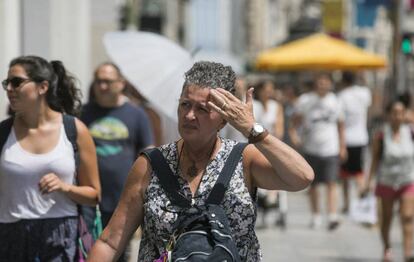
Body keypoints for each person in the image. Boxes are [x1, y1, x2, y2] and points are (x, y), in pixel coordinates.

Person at [87, 61, 314, 261]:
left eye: (202, 109)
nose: (189, 115)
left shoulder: (243, 160)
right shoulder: (150, 165)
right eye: (185, 104)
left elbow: (302, 177)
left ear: (224, 120)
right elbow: (111, 241)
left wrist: (253, 130)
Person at [0, 55, 101, 261]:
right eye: (6, 83)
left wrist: (65, 187)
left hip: (60, 234)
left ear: (42, 87)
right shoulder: (3, 132)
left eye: (17, 82)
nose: (9, 89)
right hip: (10, 236)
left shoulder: (74, 130)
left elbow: (94, 194)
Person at [81, 62, 154, 261]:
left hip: (124, 199)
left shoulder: (137, 114)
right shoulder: (82, 113)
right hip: (88, 199)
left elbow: (147, 153)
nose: (102, 86)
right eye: (98, 81)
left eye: (108, 81)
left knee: (118, 254)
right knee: (88, 251)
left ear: (121, 83)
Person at [289, 73, 346, 231]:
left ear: (330, 84)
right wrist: (294, 136)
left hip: (331, 148)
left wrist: (342, 146)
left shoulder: (335, 101)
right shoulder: (306, 101)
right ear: (315, 84)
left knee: (331, 183)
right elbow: (294, 121)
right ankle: (316, 215)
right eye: (320, 82)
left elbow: (341, 125)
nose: (322, 85)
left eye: (325, 82)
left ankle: (332, 215)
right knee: (313, 184)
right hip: (311, 147)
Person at [363, 100, 414, 262]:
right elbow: (374, 161)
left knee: (407, 216)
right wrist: (368, 182)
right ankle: (387, 248)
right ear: (389, 115)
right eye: (394, 113)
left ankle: (407, 252)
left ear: (405, 114)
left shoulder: (411, 132)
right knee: (387, 217)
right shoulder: (381, 135)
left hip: (407, 180)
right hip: (386, 181)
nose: (397, 116)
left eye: (401, 113)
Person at [337, 71, 372, 214]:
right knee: (359, 173)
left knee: (345, 174)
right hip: (361, 137)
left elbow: (340, 120)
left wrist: (341, 145)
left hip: (346, 139)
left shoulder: (341, 96)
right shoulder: (364, 92)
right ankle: (362, 203)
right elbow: (369, 105)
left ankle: (347, 204)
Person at [252, 80, 286, 228]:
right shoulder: (254, 105)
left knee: (276, 173)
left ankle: (275, 204)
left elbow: (279, 128)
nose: (268, 92)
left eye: (271, 89)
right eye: (266, 89)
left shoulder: (276, 106)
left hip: (271, 145)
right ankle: (262, 203)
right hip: (255, 145)